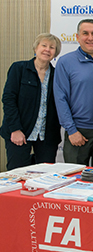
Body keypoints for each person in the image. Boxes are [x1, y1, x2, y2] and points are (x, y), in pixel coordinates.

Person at [54, 19, 93, 167]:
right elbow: (60, 98)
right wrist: (71, 130)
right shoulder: (65, 62)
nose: (90, 38)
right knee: (74, 180)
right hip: (77, 131)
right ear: (77, 37)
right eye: (85, 33)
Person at [0, 33, 62, 170]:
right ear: (36, 48)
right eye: (44, 45)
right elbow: (8, 99)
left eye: (52, 47)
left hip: (47, 136)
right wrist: (15, 129)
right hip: (20, 132)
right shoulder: (19, 69)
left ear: (55, 53)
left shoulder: (57, 75)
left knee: (45, 176)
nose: (47, 50)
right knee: (17, 174)